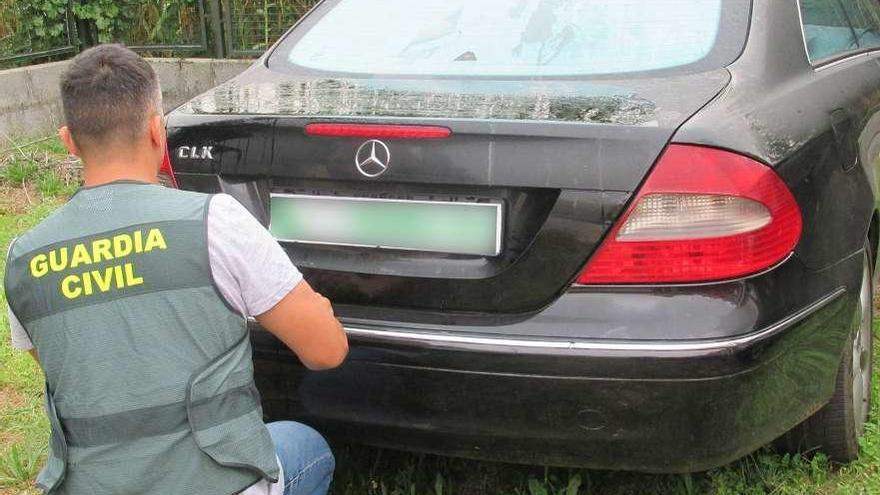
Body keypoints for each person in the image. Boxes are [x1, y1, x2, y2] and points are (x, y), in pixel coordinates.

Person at [3, 44, 349, 495]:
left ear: (67, 142)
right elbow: (327, 351)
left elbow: (74, 363)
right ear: (155, 131)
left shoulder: (22, 257)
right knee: (306, 446)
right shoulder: (215, 221)